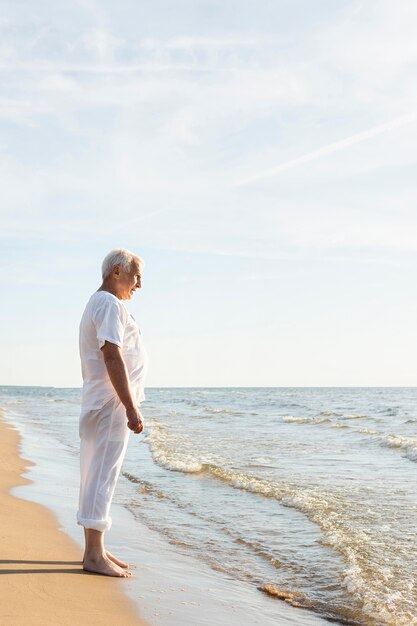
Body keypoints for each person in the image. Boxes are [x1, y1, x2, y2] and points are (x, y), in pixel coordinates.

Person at [77, 248, 148, 577]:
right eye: (137, 277)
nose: (139, 285)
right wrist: (131, 406)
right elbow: (112, 355)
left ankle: (96, 548)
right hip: (110, 403)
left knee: (97, 473)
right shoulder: (107, 303)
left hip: (103, 402)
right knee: (103, 475)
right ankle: (93, 555)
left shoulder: (102, 303)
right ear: (117, 271)